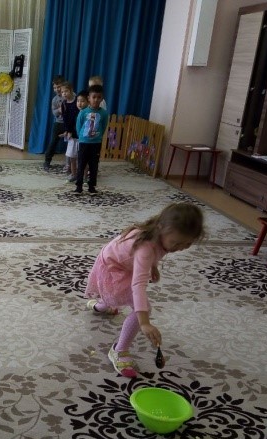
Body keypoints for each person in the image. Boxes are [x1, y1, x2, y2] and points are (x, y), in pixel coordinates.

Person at [84, 203, 205, 378]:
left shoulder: (157, 234)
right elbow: (138, 285)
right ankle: (119, 350)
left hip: (117, 261)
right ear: (161, 228)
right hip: (113, 269)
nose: (179, 248)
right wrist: (144, 322)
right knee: (142, 308)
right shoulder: (145, 248)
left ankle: (100, 306)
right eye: (176, 243)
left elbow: (153, 253)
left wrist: (152, 266)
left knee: (114, 296)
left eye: (187, 244)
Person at [75, 84, 109, 194]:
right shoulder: (83, 112)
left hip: (96, 143)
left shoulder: (104, 113)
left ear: (102, 98)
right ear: (89, 98)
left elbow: (103, 126)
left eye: (99, 97)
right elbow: (79, 126)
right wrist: (82, 137)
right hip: (84, 142)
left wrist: (98, 137)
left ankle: (91, 186)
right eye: (93, 97)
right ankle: (79, 186)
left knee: (94, 166)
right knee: (81, 164)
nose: (96, 100)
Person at [60, 83, 84, 183]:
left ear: (71, 90)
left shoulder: (77, 102)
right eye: (62, 92)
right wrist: (67, 131)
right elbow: (65, 119)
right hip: (71, 135)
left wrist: (73, 130)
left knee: (81, 156)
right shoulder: (63, 104)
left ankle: (82, 175)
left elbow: (77, 119)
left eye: (66, 91)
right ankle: (74, 174)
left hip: (79, 134)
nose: (64, 94)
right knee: (71, 156)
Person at [43, 75, 66, 172]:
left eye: (59, 87)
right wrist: (59, 110)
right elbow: (54, 113)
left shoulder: (72, 95)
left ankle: (73, 163)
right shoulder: (55, 100)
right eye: (55, 88)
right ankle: (47, 161)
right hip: (59, 123)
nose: (57, 89)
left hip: (71, 123)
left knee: (74, 143)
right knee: (53, 142)